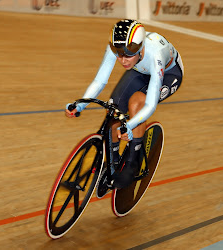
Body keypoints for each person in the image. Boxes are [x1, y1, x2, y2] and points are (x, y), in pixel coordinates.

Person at [65, 19, 184, 193]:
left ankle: (132, 162)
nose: (122, 60)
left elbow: (149, 105)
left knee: (136, 102)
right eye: (118, 54)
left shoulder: (155, 54)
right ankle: (112, 165)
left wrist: (129, 125)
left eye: (128, 55)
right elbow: (100, 81)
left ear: (140, 47)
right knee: (114, 109)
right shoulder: (119, 47)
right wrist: (81, 104)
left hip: (167, 74)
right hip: (140, 71)